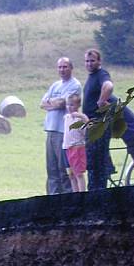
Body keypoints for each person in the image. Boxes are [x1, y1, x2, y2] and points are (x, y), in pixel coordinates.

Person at [40, 57, 81, 194]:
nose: (62, 70)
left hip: (63, 132)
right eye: (60, 67)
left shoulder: (75, 85)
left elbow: (62, 104)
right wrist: (54, 103)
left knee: (63, 169)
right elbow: (42, 104)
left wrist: (51, 103)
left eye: (65, 67)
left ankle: (66, 198)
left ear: (71, 68)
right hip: (50, 131)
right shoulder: (55, 85)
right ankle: (52, 198)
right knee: (51, 169)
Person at [82, 49, 114, 190]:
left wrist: (102, 101)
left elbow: (109, 85)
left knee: (98, 162)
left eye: (92, 60)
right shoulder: (92, 76)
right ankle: (93, 194)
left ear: (99, 61)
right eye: (87, 61)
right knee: (92, 163)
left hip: (99, 124)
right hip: (92, 125)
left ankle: (100, 194)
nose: (89, 63)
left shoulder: (102, 74)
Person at [62, 94, 89, 192]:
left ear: (78, 105)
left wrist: (82, 116)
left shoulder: (81, 118)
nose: (69, 107)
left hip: (77, 148)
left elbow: (89, 127)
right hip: (66, 148)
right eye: (68, 105)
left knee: (79, 174)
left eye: (72, 105)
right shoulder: (66, 117)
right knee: (71, 174)